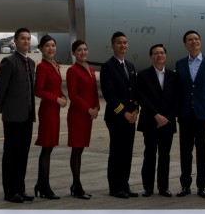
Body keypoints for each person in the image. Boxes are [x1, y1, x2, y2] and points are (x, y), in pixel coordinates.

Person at [175, 30, 205, 198]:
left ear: (200, 42)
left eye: (196, 39)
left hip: (203, 116)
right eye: (190, 40)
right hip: (186, 115)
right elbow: (178, 91)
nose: (194, 42)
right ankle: (185, 185)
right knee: (185, 152)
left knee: (202, 152)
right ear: (185, 44)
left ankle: (202, 186)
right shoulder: (179, 64)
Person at [0, 28, 36, 203]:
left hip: (27, 115)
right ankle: (10, 191)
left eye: (28, 39)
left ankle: (20, 188)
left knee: (23, 154)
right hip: (13, 116)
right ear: (15, 41)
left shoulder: (32, 63)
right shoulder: (9, 61)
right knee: (11, 154)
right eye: (23, 39)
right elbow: (0, 89)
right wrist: (5, 110)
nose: (26, 42)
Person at [134, 44, 180, 197]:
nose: (159, 55)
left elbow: (177, 100)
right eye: (155, 53)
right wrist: (156, 115)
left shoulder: (173, 75)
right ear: (151, 57)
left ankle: (163, 187)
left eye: (161, 53)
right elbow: (141, 97)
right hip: (150, 121)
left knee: (165, 155)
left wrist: (168, 118)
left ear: (165, 56)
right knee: (150, 154)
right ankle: (148, 187)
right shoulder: (143, 75)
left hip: (168, 122)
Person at [100, 31, 138, 198]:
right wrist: (123, 113)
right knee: (117, 152)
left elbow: (135, 91)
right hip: (116, 117)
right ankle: (115, 187)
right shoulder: (108, 67)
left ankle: (125, 184)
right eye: (119, 43)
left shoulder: (130, 66)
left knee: (127, 152)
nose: (123, 45)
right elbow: (109, 94)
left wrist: (136, 109)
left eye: (125, 42)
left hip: (131, 117)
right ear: (112, 45)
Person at [33, 34, 67, 199]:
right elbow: (38, 90)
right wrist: (56, 99)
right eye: (47, 46)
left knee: (49, 148)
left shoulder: (55, 65)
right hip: (47, 111)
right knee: (46, 149)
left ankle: (40, 184)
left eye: (53, 45)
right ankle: (44, 186)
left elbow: (55, 87)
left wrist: (63, 96)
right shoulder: (42, 67)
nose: (51, 48)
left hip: (55, 111)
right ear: (40, 49)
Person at [66, 39, 100, 199]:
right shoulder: (72, 70)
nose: (83, 52)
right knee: (76, 149)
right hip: (78, 115)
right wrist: (88, 109)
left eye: (85, 49)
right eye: (79, 50)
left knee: (80, 149)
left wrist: (96, 108)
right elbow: (73, 95)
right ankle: (77, 185)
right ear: (74, 53)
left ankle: (76, 185)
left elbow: (94, 91)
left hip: (88, 115)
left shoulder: (91, 69)